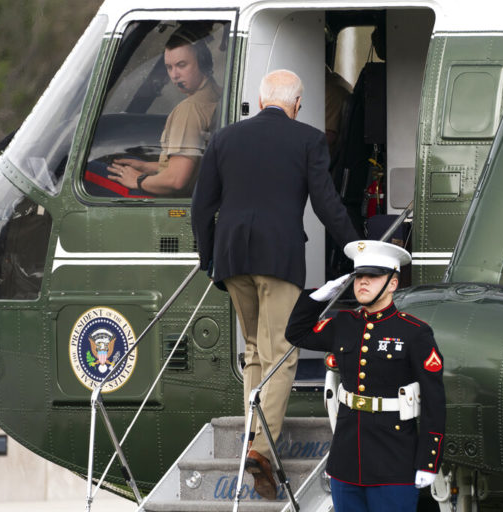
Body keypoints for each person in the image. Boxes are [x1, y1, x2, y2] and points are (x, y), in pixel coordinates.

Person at [191, 69, 358, 500]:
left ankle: (251, 438)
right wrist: (357, 248)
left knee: (253, 349)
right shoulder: (307, 139)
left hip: (232, 258)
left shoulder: (225, 138)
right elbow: (326, 203)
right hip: (278, 257)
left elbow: (201, 205)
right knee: (282, 353)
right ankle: (262, 452)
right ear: (297, 104)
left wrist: (207, 257)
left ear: (262, 101)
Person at [284, 240, 446, 512]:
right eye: (359, 276)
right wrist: (317, 298)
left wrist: (428, 461)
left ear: (392, 284)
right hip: (346, 460)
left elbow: (434, 402)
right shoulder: (344, 324)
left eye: (373, 276)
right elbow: (296, 333)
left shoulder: (414, 333)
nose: (363, 282)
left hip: (394, 461)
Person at [104, 30, 221, 197]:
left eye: (181, 65)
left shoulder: (190, 109)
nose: (174, 75)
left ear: (203, 64)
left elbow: (177, 180)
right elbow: (194, 167)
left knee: (94, 173)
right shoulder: (221, 96)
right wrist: (146, 167)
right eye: (169, 67)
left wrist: (138, 179)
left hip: (177, 204)